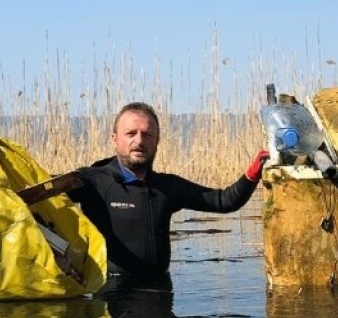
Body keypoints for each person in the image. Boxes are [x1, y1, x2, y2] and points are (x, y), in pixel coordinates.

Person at [71, 102, 269, 280]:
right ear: (115, 139)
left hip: (160, 292)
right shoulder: (91, 181)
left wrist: (253, 173)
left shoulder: (167, 187)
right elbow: (43, 195)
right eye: (130, 133)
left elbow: (224, 201)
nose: (139, 141)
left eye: (147, 134)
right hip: (110, 296)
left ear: (157, 141)